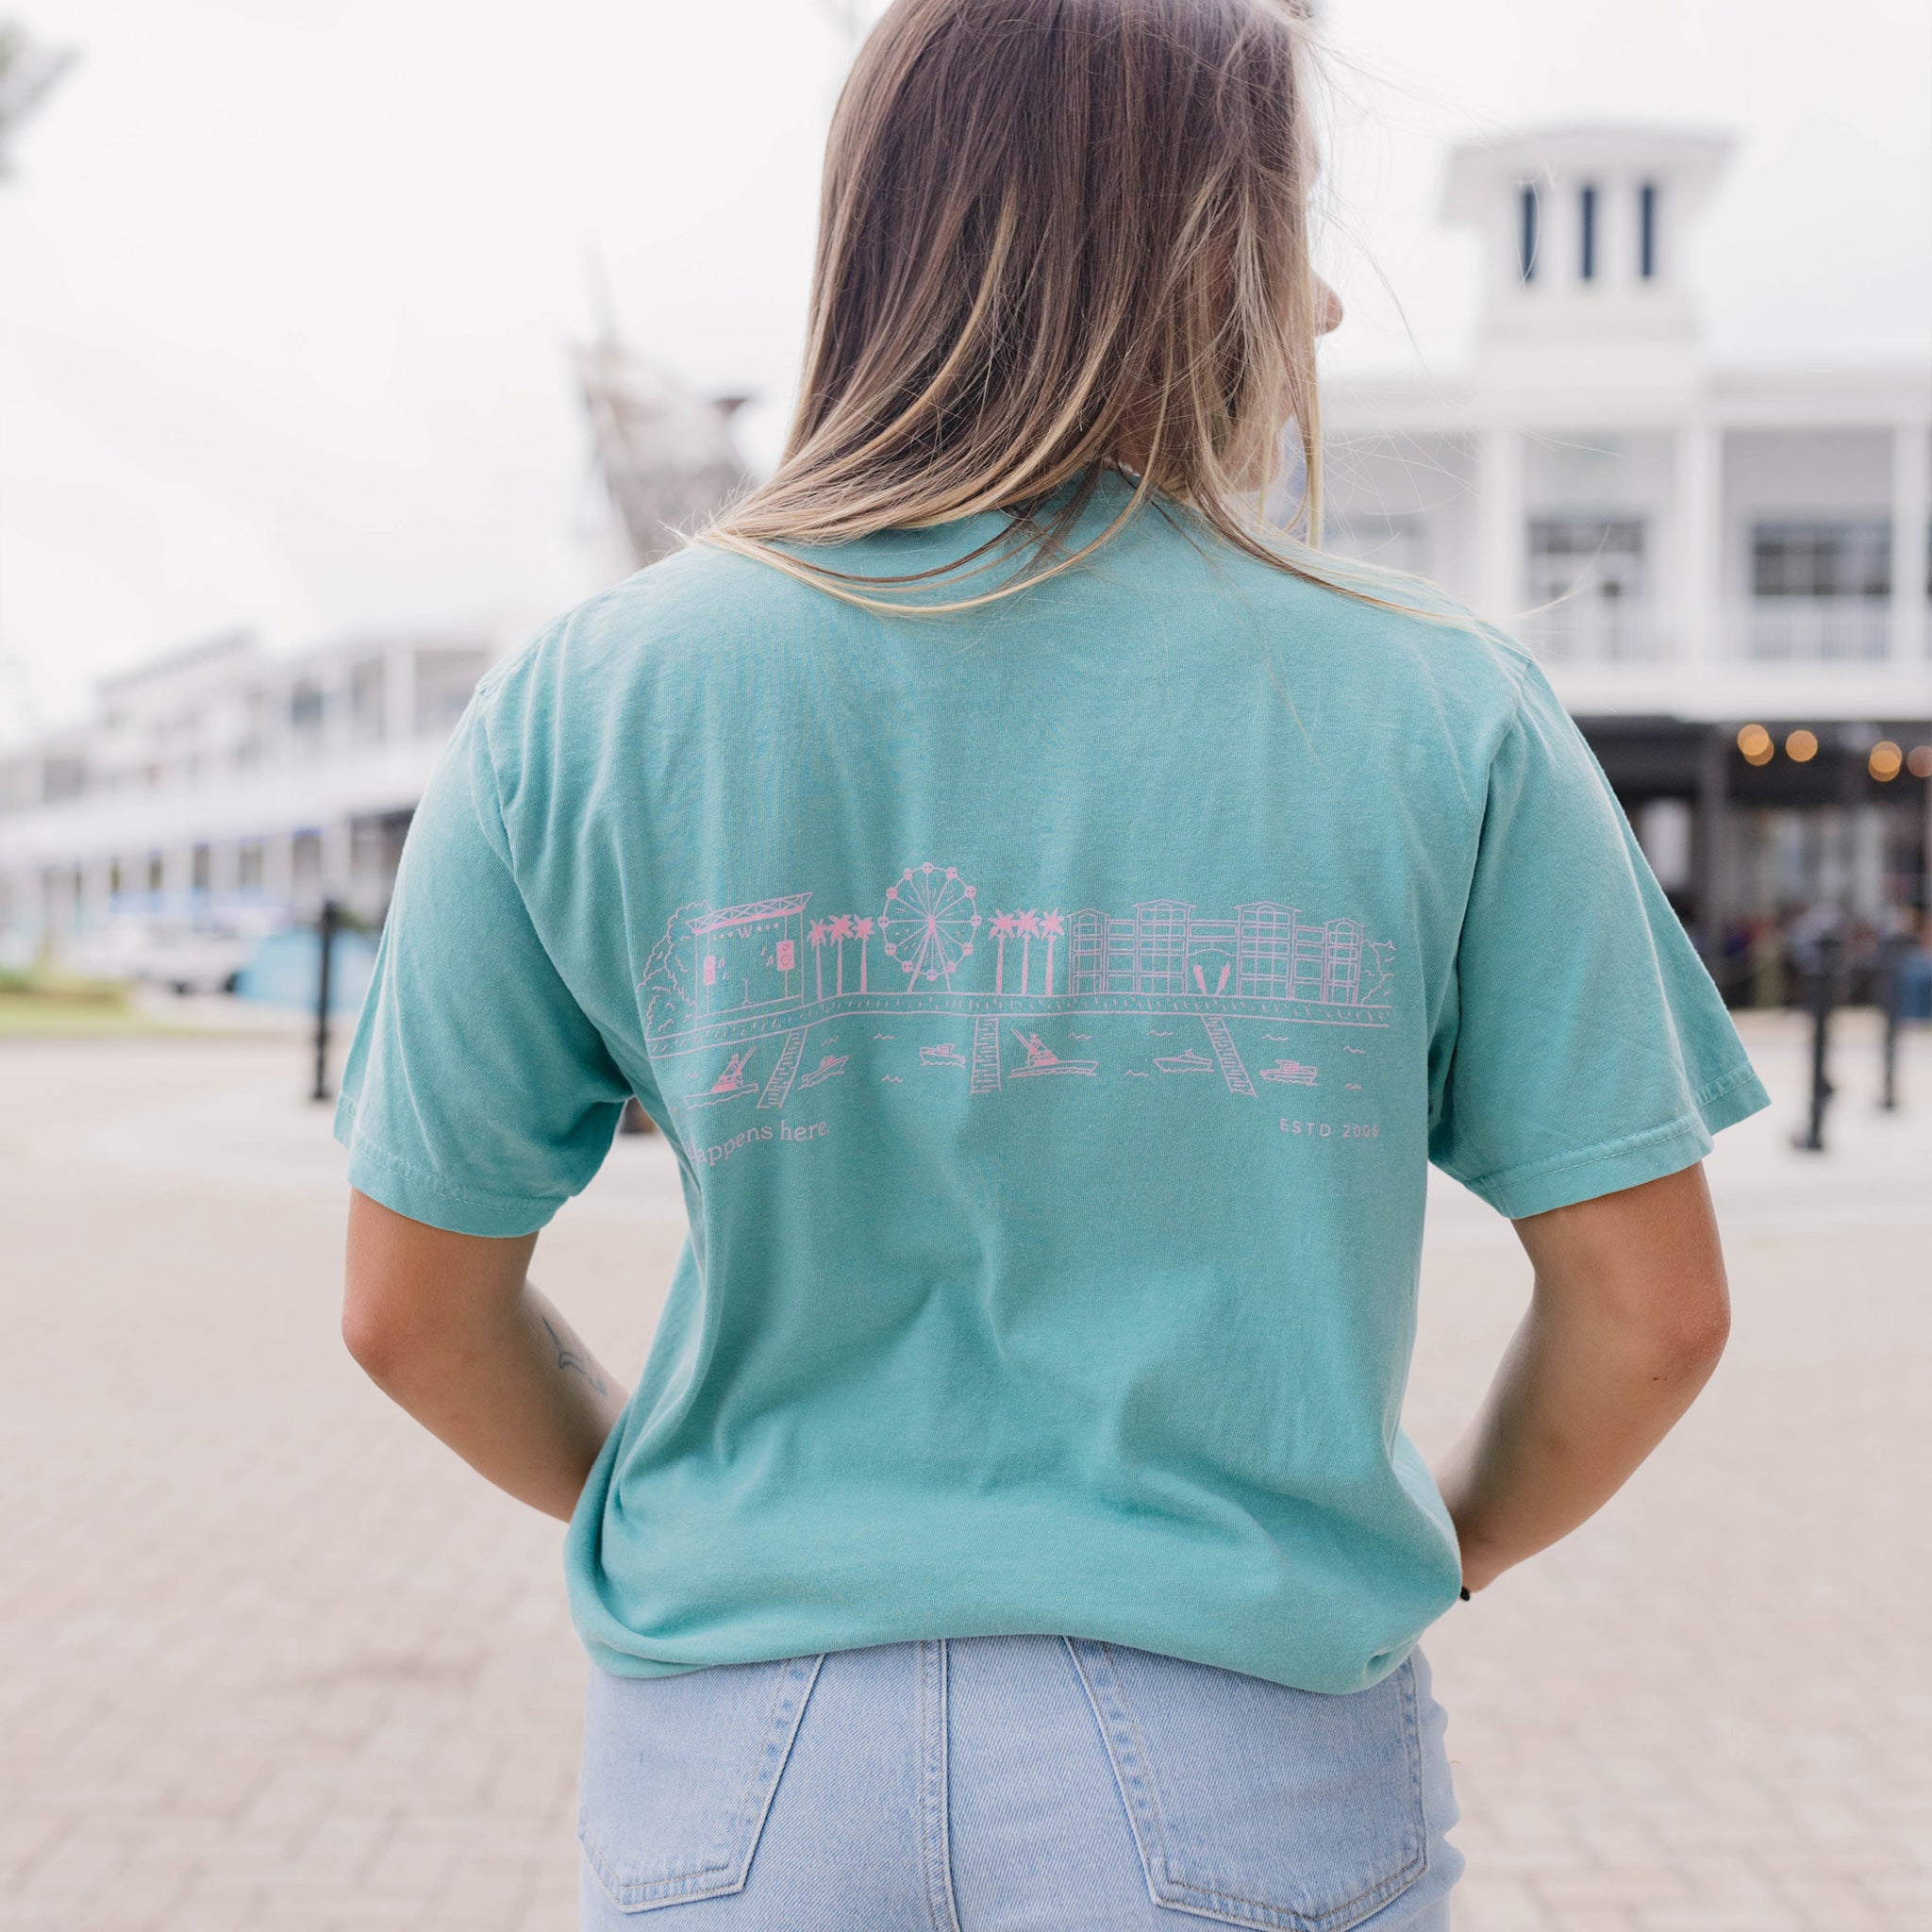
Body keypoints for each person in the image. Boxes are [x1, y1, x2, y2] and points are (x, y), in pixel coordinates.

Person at [337, 2, 1768, 1924]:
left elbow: (406, 1308)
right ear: (1196, 256)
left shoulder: (584, 704)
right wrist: (1427, 1544)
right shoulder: (1446, 706)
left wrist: (712, 1523)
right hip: (1238, 1732)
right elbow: (1652, 1309)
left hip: (736, 1763)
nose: (1327, 316)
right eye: (1293, 233)